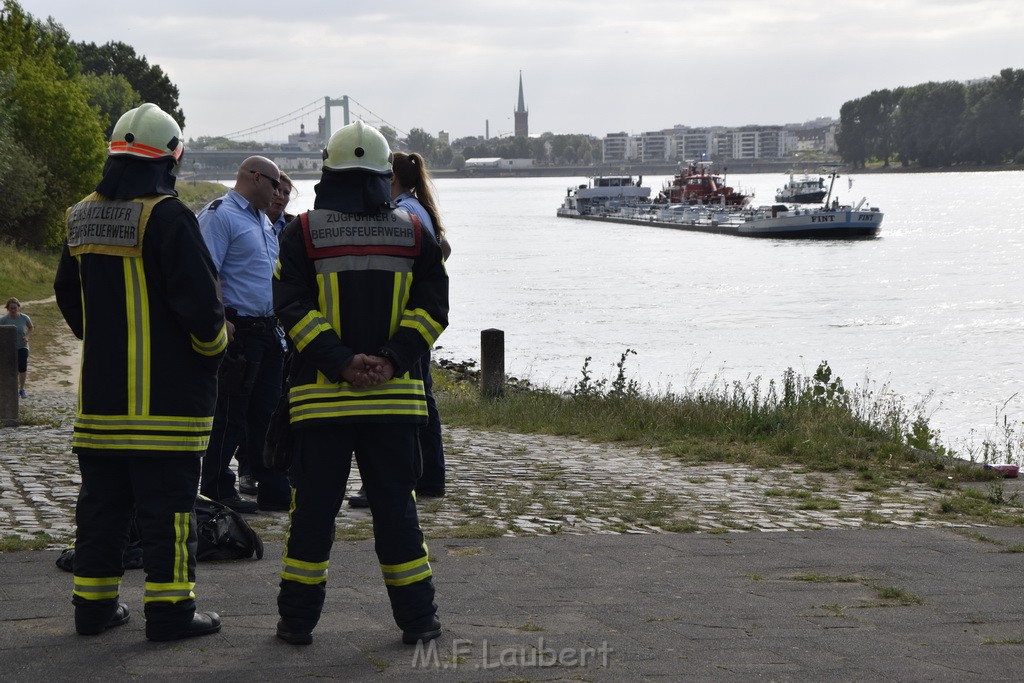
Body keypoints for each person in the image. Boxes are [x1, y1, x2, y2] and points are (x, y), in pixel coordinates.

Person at [52, 103, 227, 641]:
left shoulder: (80, 214)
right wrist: (214, 347)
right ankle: (171, 614)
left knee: (101, 511)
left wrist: (104, 340)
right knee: (169, 513)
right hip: (167, 407)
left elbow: (66, 293)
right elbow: (202, 309)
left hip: (101, 404)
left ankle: (94, 609)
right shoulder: (169, 216)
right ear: (171, 158)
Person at [272, 121, 449, 646]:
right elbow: (433, 311)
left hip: (319, 403)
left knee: (313, 516)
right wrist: (391, 361)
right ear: (381, 175)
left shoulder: (300, 232)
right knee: (397, 512)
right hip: (394, 403)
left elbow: (291, 310)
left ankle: (296, 623)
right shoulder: (415, 233)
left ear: (328, 172)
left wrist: (340, 362)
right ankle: (419, 621)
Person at [348, 151, 450, 508]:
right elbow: (441, 251)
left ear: (389, 179)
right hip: (414, 322)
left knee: (414, 403)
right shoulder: (419, 207)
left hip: (401, 324)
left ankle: (414, 477)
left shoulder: (403, 213)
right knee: (424, 398)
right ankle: (428, 478)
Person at [197, 156, 291, 513]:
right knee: (230, 413)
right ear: (255, 178)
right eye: (274, 186)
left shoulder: (261, 221)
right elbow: (206, 268)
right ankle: (218, 487)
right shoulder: (220, 214)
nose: (279, 193)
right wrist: (220, 317)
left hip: (267, 331)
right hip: (240, 332)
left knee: (267, 413)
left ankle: (273, 486)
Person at [0, 297, 33, 399]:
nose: (13, 310)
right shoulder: (4, 320)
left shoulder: (24, 318)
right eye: (11, 308)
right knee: (10, 369)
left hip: (22, 346)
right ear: (7, 308)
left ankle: (22, 389)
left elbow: (31, 327)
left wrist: (27, 336)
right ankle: (9, 389)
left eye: (15, 308)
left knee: (22, 367)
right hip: (9, 348)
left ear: (18, 307)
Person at [267, 171, 296, 238]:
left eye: (286, 193)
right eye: (277, 190)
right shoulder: (250, 221)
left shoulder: (295, 225)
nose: (281, 196)